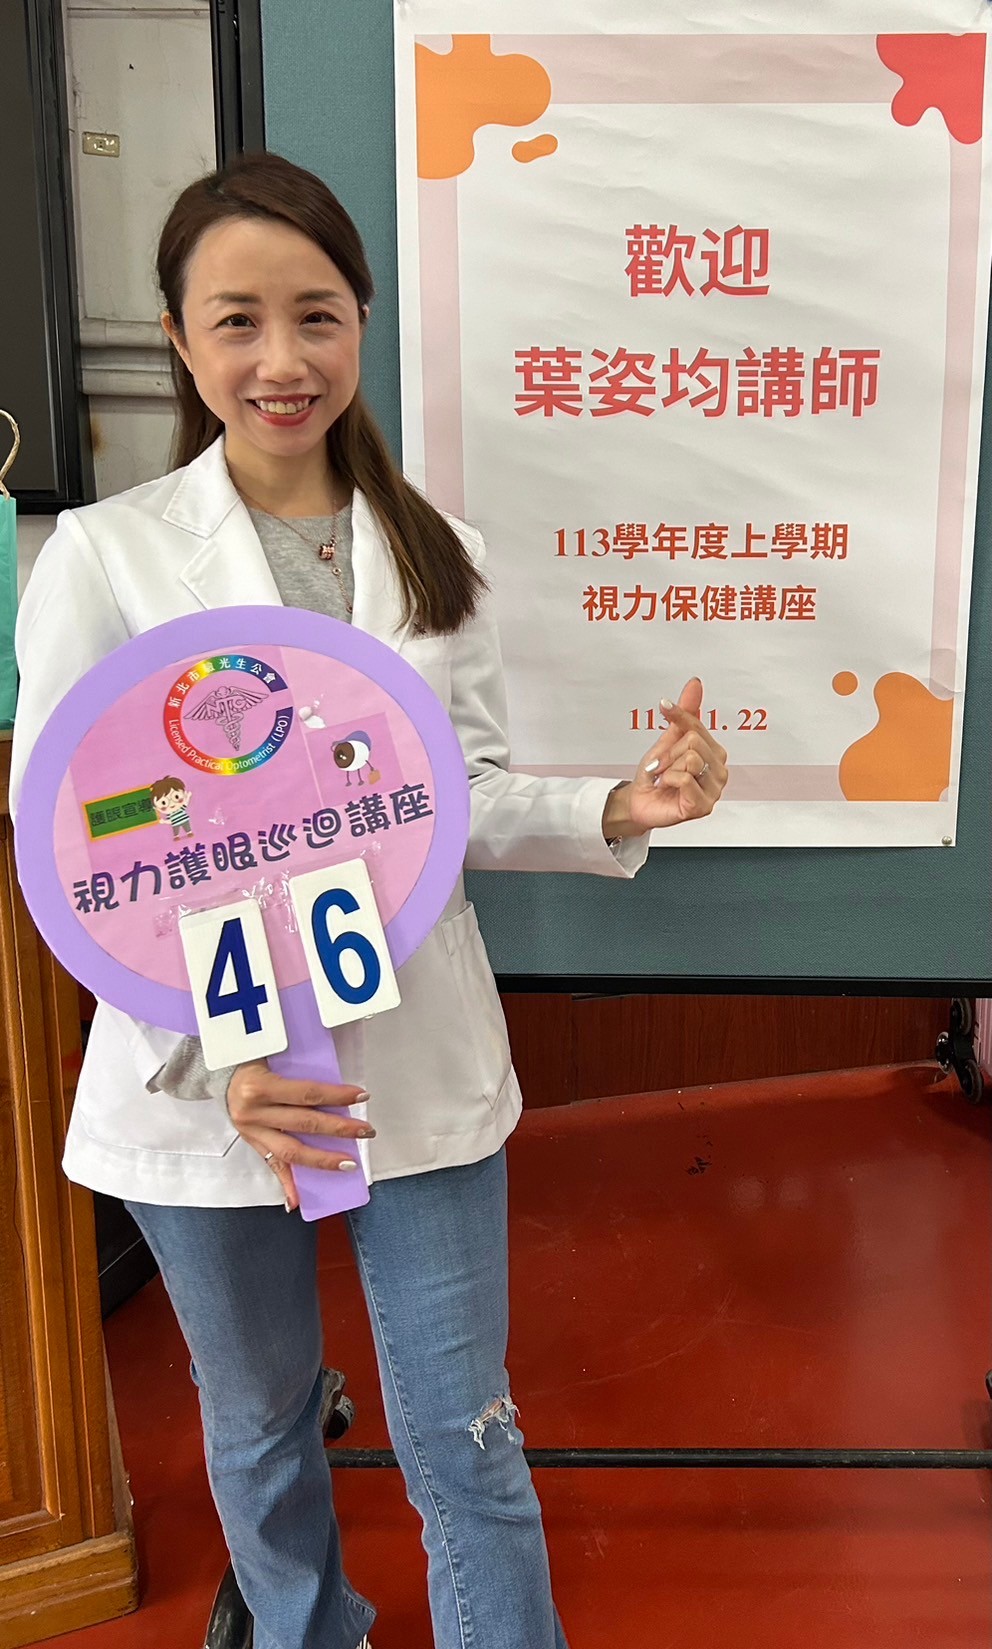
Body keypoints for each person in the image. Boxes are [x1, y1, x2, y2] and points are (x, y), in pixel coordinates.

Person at [11, 153, 728, 1649]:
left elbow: (449, 801)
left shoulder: (436, 552)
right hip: (207, 1080)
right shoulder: (107, 556)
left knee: (467, 1434)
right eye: (238, 320)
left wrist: (620, 804)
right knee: (262, 1422)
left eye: (317, 316)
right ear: (179, 336)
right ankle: (305, 1627)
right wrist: (224, 1054)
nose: (282, 359)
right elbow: (77, 848)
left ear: (361, 323)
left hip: (413, 1053)